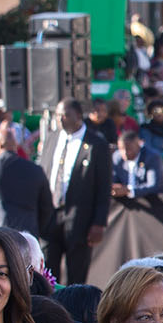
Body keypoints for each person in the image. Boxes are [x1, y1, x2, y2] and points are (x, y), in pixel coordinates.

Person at [36, 99, 114, 286]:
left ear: (78, 116)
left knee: (76, 274)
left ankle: (72, 314)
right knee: (46, 273)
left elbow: (104, 187)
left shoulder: (96, 144)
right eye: (57, 115)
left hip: (80, 218)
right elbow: (43, 173)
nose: (60, 119)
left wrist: (99, 222)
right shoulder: (52, 138)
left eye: (65, 115)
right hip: (50, 216)